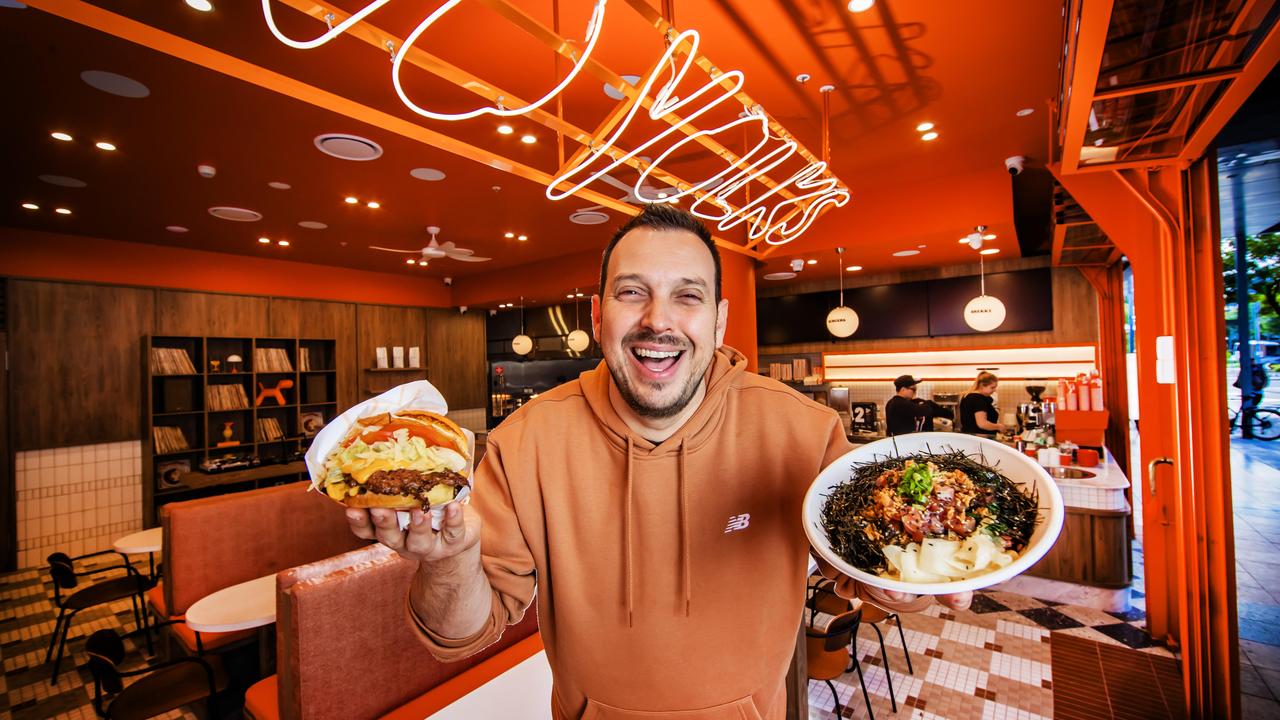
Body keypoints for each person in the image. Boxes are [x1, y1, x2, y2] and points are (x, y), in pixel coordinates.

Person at [345, 205, 969, 719]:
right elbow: (459, 636)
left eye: (687, 296)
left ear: (721, 320)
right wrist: (450, 562)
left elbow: (870, 577)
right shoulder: (526, 440)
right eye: (631, 293)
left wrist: (926, 577)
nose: (658, 320)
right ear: (598, 314)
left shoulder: (804, 432)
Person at [884, 374, 950, 436]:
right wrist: (926, 402)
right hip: (902, 443)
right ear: (903, 389)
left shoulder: (891, 402)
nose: (915, 392)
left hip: (897, 442)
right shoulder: (902, 404)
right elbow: (925, 410)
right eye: (913, 389)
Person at [960, 371, 1006, 436]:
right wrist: (999, 426)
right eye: (992, 387)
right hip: (980, 440)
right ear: (982, 385)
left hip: (970, 437)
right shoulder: (979, 399)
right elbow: (982, 424)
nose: (994, 390)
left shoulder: (967, 396)